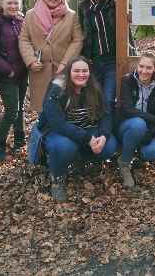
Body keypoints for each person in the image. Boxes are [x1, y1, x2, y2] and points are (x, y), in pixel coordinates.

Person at [35, 56, 118, 202]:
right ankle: (57, 177)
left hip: (86, 129)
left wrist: (103, 135)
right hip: (59, 132)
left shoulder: (93, 87)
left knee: (110, 145)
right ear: (69, 72)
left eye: (84, 71)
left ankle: (80, 160)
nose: (81, 74)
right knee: (65, 147)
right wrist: (87, 139)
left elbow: (106, 114)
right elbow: (57, 123)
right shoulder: (57, 88)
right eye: (77, 71)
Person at [19, 0, 83, 112]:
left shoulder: (71, 16)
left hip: (63, 71)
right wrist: (30, 60)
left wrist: (65, 63)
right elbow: (24, 39)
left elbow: (77, 40)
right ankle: (44, 133)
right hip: (39, 69)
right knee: (43, 109)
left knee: (63, 107)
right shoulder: (31, 15)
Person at [0, 0, 28, 161]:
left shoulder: (21, 20)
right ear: (1, 3)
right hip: (6, 75)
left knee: (21, 109)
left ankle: (20, 139)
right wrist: (7, 69)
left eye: (16, 2)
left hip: (22, 73)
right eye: (9, 2)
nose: (13, 6)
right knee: (12, 110)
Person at [116, 53, 155, 188]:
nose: (144, 71)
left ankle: (137, 155)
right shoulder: (127, 80)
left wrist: (154, 125)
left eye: (148, 68)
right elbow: (127, 110)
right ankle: (124, 163)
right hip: (127, 126)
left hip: (147, 129)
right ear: (137, 66)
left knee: (152, 152)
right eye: (141, 66)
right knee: (138, 124)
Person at [78, 0, 117, 129]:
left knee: (108, 99)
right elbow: (82, 32)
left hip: (114, 60)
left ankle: (106, 136)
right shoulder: (83, 7)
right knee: (95, 100)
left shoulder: (116, 1)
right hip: (93, 61)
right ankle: (98, 132)